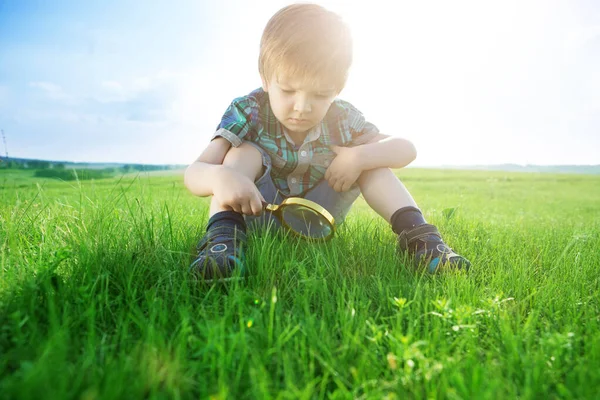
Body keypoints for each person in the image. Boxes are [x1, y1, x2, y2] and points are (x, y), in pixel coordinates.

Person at [184, 3, 470, 281]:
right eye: (288, 90)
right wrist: (220, 178)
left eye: (320, 94)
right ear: (265, 79)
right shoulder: (249, 108)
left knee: (370, 155)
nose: (301, 106)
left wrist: (359, 157)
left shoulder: (342, 117)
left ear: (337, 89)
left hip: (319, 217)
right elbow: (195, 172)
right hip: (256, 210)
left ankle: (422, 241)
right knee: (243, 152)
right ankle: (223, 244)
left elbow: (406, 149)